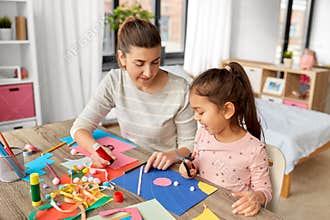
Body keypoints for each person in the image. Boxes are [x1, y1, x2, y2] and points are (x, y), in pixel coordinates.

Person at [70, 17, 196, 170]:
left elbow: (190, 144)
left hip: (169, 169)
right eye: (139, 63)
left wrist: (173, 155)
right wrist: (95, 149)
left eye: (155, 62)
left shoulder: (181, 89)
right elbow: (80, 127)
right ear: (122, 58)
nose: (149, 73)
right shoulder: (115, 81)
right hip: (130, 164)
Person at [179, 62, 272, 217]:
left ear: (227, 110)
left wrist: (256, 198)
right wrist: (190, 167)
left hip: (231, 213)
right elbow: (198, 160)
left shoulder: (254, 150)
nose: (196, 118)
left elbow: (265, 191)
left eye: (201, 112)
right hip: (200, 206)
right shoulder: (202, 134)